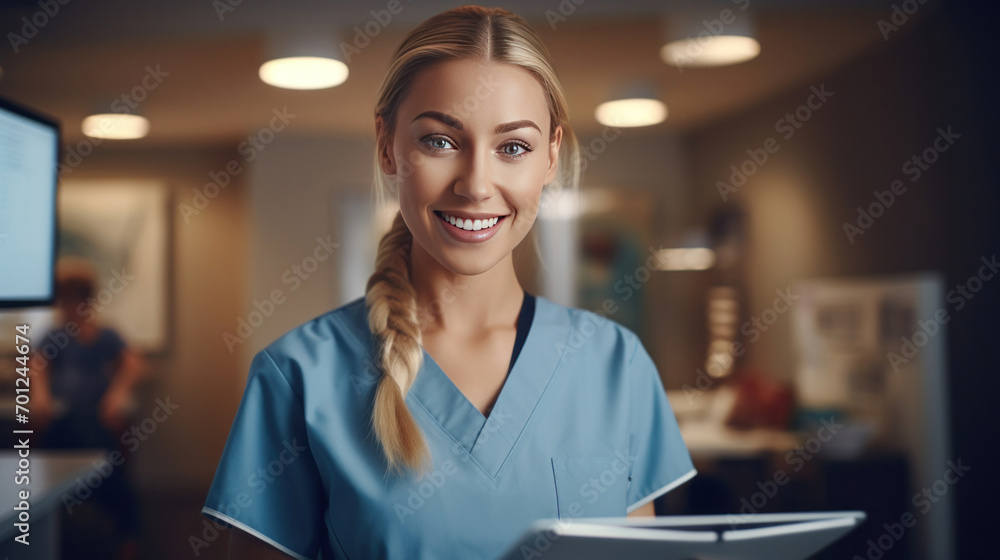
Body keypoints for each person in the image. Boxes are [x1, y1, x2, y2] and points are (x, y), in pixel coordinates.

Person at [202, 6, 695, 559]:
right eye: (440, 141)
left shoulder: (615, 365)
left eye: (513, 147)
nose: (477, 185)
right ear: (388, 146)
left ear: (551, 156)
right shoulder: (299, 377)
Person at [31, 259, 147, 560]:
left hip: (95, 417)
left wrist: (116, 395)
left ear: (86, 300)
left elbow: (134, 364)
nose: (66, 306)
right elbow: (37, 365)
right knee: (73, 440)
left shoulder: (106, 334)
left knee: (96, 439)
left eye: (73, 299)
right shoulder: (55, 336)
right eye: (63, 299)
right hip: (64, 418)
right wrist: (40, 395)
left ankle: (125, 533)